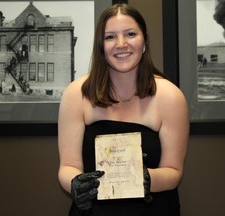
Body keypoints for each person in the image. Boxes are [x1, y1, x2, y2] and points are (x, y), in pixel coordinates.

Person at [58, 3, 189, 216]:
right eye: (110, 37)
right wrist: (75, 184)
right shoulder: (76, 94)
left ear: (145, 39)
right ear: (100, 45)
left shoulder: (170, 97)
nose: (121, 44)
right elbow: (68, 166)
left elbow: (174, 172)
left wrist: (144, 179)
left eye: (130, 34)